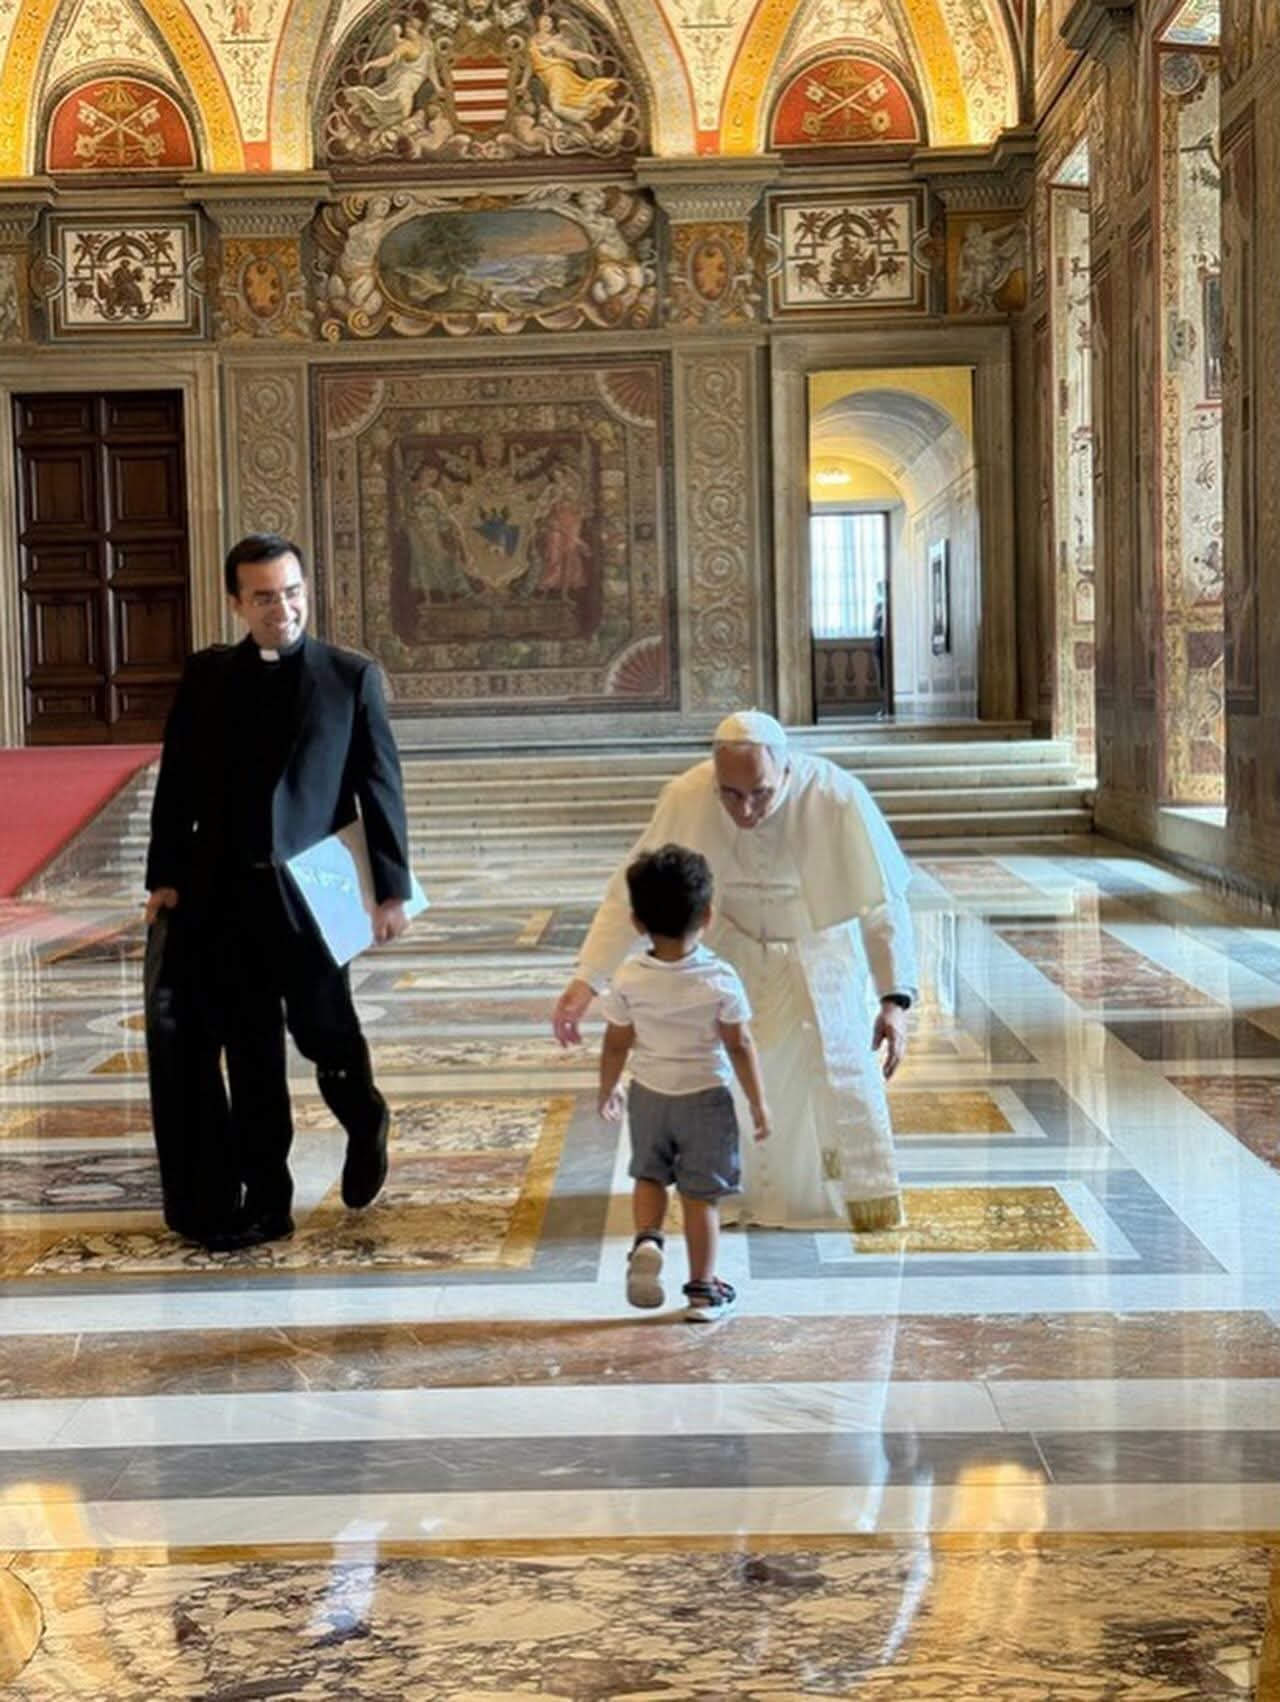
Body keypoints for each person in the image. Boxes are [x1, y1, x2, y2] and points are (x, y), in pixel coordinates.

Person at [144, 533, 413, 1250]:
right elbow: (176, 781)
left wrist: (391, 891)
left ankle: (365, 1115)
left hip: (312, 897)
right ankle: (268, 1199)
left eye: (292, 592)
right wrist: (164, 877)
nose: (282, 608)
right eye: (264, 597)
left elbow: (380, 788)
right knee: (251, 1051)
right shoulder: (206, 677)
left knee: (325, 1033)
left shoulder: (350, 677)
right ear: (236, 602)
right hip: (225, 898)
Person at [556, 710, 916, 1232]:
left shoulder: (836, 795)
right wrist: (588, 977)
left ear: (786, 770)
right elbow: (632, 892)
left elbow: (882, 904)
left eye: (760, 794)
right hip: (728, 958)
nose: (745, 810)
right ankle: (730, 1196)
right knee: (722, 1085)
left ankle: (812, 1201)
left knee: (820, 1087)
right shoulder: (686, 795)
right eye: (730, 795)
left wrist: (894, 998)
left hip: (818, 958)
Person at [597, 845, 770, 1321]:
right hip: (705, 1098)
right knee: (700, 1196)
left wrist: (608, 1088)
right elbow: (740, 1044)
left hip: (649, 1095)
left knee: (649, 1175)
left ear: (637, 921)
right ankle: (702, 1292)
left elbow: (616, 1042)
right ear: (708, 915)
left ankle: (648, 1240)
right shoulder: (720, 978)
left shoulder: (628, 977)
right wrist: (758, 1102)